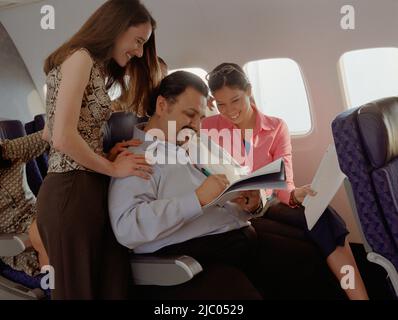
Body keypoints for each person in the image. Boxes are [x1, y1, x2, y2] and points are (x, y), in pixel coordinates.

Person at [108, 71, 346, 299]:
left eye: (201, 117)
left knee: (307, 256)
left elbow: (241, 174)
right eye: (189, 114)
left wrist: (254, 201)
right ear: (162, 105)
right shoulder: (136, 157)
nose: (196, 125)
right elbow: (127, 227)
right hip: (192, 253)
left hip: (238, 234)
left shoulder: (198, 142)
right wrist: (197, 199)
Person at [201, 63, 369, 300]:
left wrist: (294, 195)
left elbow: (283, 181)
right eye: (221, 104)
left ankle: (359, 296)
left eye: (235, 100)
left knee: (324, 217)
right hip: (233, 206)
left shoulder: (276, 126)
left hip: (268, 202)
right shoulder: (207, 127)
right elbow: (181, 147)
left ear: (249, 91)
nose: (229, 111)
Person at [35, 0, 159, 299]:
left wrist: (106, 154)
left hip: (85, 188)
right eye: (138, 41)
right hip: (70, 192)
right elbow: (61, 138)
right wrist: (113, 167)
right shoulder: (81, 57)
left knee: (112, 288)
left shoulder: (89, 64)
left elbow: (49, 132)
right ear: (116, 27)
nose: (140, 52)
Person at [0, 131, 49, 275]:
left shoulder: (8, 150)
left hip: (43, 217)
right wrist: (33, 237)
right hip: (15, 243)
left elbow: (49, 135)